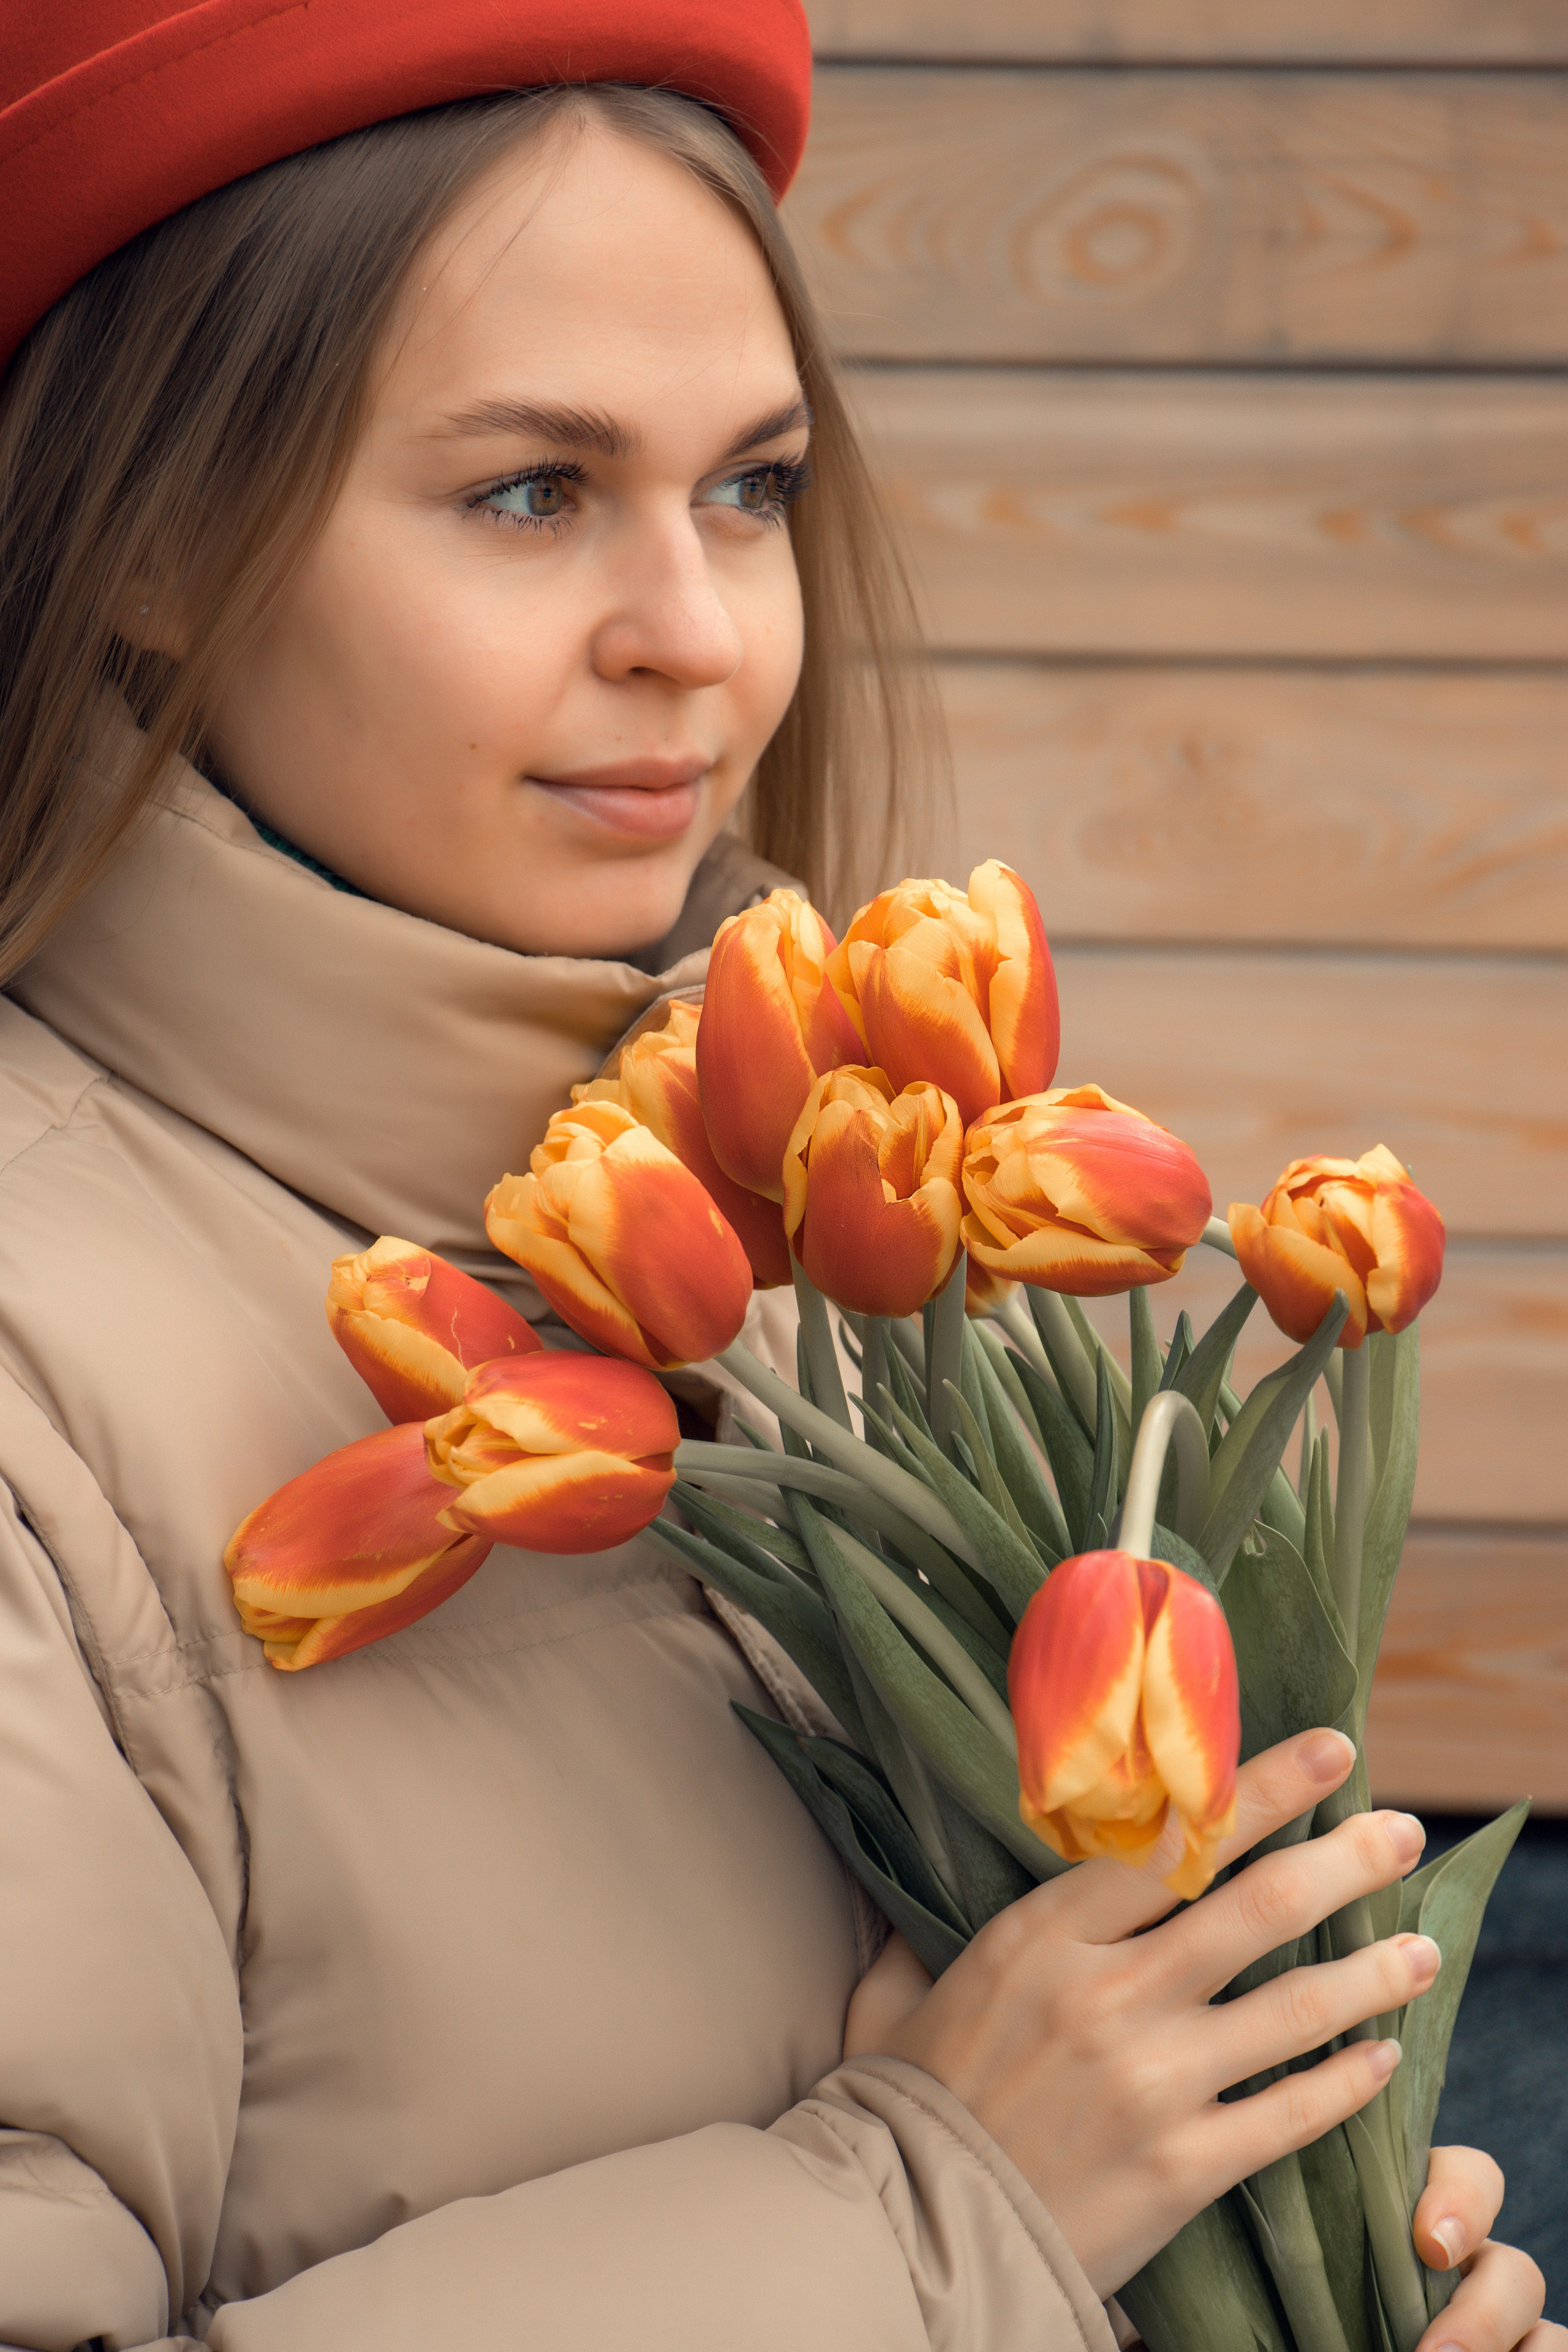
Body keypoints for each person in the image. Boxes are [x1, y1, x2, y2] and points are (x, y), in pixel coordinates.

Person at [0, 7, 1556, 2347]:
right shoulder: (40, 1385)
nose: (704, 638)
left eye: (750, 486)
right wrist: (943, 2219)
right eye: (528, 491)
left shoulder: (831, 1271)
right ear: (148, 539)